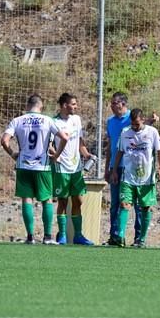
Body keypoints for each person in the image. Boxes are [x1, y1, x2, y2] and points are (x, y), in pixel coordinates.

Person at [1, 94, 69, 244]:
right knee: (47, 200)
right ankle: (47, 237)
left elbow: (4, 140)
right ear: (41, 106)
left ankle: (30, 237)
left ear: (27, 105)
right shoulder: (47, 120)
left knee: (27, 199)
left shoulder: (17, 120)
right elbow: (64, 138)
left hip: (23, 165)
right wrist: (56, 154)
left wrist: (13, 153)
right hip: (42, 166)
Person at [111, 109, 160, 248]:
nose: (135, 127)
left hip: (146, 178)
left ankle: (141, 239)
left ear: (143, 120)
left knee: (145, 208)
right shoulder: (125, 132)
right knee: (124, 205)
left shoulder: (152, 132)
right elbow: (120, 152)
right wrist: (115, 170)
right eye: (132, 124)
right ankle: (120, 237)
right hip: (128, 177)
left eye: (137, 124)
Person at [51, 93, 96, 245]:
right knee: (62, 202)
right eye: (74, 104)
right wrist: (55, 155)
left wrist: (86, 154)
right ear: (65, 105)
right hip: (61, 168)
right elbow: (49, 145)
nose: (76, 107)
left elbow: (80, 142)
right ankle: (62, 235)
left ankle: (78, 235)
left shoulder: (76, 120)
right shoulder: (54, 122)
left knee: (78, 201)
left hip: (76, 168)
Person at [104, 92, 143, 247]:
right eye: (111, 103)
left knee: (137, 203)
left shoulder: (132, 118)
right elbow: (110, 146)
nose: (112, 106)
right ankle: (115, 237)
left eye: (115, 103)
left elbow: (143, 131)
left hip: (132, 167)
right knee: (115, 203)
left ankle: (139, 238)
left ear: (123, 103)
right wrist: (108, 167)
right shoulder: (110, 121)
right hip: (116, 167)